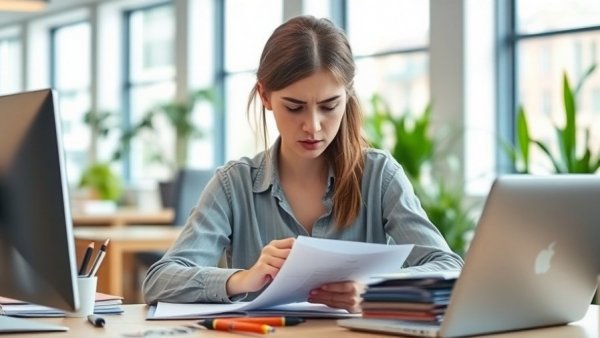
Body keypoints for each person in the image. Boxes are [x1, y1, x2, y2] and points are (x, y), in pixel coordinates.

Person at [143, 15, 463, 313]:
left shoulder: (379, 175)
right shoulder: (234, 184)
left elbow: (448, 266)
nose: (313, 126)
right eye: (295, 107)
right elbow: (160, 280)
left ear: (348, 95)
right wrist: (242, 278)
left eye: (329, 106)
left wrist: (377, 288)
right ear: (265, 96)